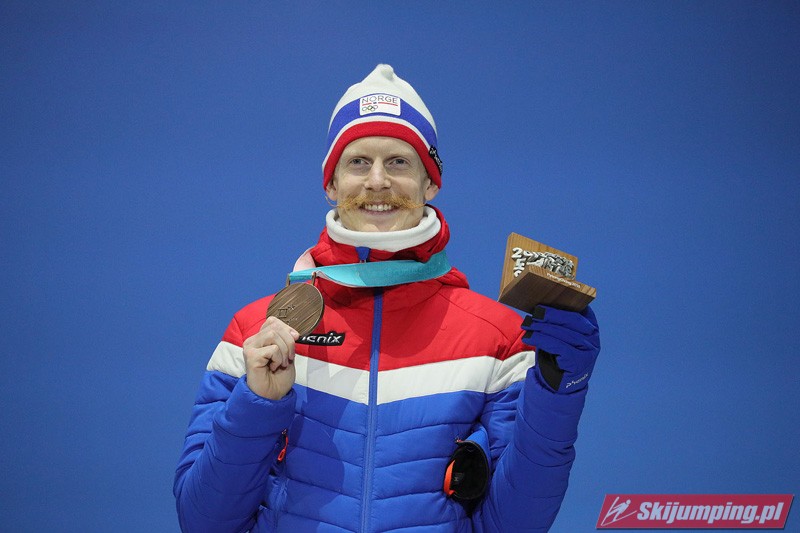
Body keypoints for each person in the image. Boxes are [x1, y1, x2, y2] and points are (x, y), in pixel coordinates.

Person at [174, 64, 601, 532]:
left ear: (430, 182)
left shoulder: (498, 338)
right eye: (358, 162)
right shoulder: (256, 333)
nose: (377, 181)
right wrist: (257, 404)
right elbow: (203, 521)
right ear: (331, 184)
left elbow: (515, 524)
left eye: (398, 162)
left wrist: (557, 393)